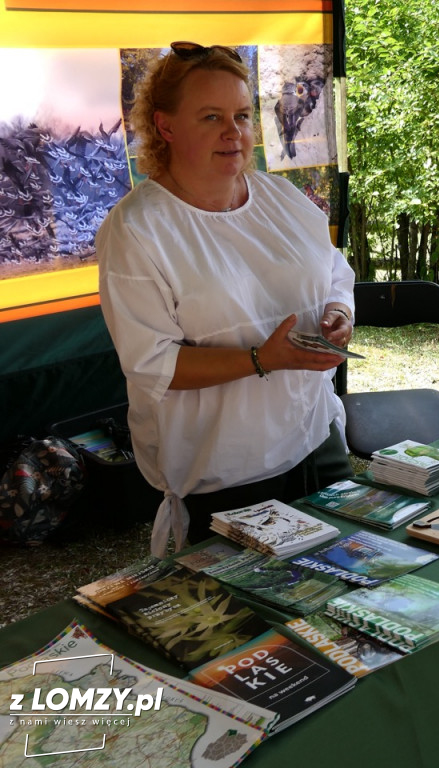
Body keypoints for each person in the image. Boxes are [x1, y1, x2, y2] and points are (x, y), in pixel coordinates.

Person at [96, 42, 356, 555]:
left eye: (241, 114)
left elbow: (333, 269)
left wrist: (338, 311)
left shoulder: (279, 199)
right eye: (211, 116)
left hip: (313, 437)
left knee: (342, 588)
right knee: (251, 623)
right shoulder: (138, 230)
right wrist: (261, 359)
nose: (233, 131)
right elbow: (153, 365)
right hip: (227, 470)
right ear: (166, 127)